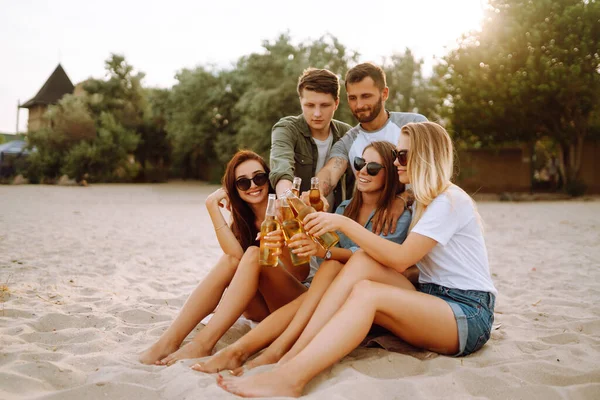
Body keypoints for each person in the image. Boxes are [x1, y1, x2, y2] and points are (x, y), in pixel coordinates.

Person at [218, 122, 498, 398]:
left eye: (402, 156)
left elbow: (401, 259)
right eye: (396, 155)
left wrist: (343, 223)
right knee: (362, 265)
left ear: (424, 157)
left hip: (467, 311)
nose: (396, 161)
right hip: (433, 298)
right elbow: (400, 202)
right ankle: (288, 356)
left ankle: (291, 376)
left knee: (368, 293)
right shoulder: (425, 199)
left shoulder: (448, 202)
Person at [191, 141, 413, 375]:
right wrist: (307, 233)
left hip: (353, 299)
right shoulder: (345, 208)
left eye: (374, 168)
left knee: (328, 270)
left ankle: (248, 351)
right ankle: (230, 349)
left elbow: (374, 259)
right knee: (265, 259)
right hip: (320, 288)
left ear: (390, 173)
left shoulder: (395, 215)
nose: (363, 171)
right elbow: (322, 248)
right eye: (359, 163)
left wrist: (320, 250)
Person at [139, 150, 314, 365]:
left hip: (293, 301)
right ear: (235, 189)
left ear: (269, 179)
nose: (253, 186)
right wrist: (212, 206)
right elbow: (234, 259)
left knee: (253, 253)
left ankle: (202, 344)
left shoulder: (288, 210)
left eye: (259, 177)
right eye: (243, 182)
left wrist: (284, 242)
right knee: (233, 259)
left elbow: (301, 272)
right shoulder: (244, 220)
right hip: (260, 311)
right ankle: (168, 341)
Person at [317, 62, 428, 235]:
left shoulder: (414, 124)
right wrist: (315, 193)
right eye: (353, 98)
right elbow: (331, 172)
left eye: (366, 96)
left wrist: (403, 199)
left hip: (423, 224)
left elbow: (435, 173)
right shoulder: (348, 141)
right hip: (383, 230)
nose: (359, 105)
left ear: (384, 94)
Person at [269, 67, 353, 212]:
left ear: (336, 103)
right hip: (295, 218)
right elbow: (281, 166)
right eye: (310, 105)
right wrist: (287, 199)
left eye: (325, 105)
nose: (317, 113)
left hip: (336, 219)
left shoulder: (347, 133)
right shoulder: (286, 128)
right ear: (301, 101)